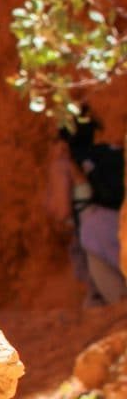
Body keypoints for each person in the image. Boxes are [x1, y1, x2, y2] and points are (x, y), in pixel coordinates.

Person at [49, 117, 127, 305]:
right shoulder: (105, 154)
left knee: (111, 294)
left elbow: (61, 211)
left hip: (93, 229)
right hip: (117, 222)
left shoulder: (66, 163)